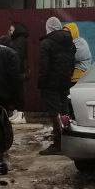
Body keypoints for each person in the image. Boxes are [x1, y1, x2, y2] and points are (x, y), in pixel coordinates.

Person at [36, 16, 76, 155]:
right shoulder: (70, 42)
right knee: (64, 111)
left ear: (49, 28)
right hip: (65, 81)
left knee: (54, 113)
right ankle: (68, 140)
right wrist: (68, 75)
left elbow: (44, 67)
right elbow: (72, 62)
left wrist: (41, 82)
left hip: (51, 83)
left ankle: (58, 144)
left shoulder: (46, 43)